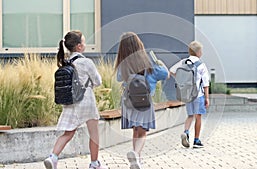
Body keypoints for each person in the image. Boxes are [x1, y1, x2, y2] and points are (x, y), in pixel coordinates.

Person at [44, 30, 107, 169]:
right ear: (79, 46)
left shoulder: (65, 62)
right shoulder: (86, 62)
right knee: (94, 133)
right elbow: (98, 81)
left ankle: (53, 157)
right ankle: (94, 163)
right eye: (84, 41)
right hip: (87, 102)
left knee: (68, 133)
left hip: (71, 102)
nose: (85, 44)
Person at [114, 32, 169, 169]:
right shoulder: (148, 62)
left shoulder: (123, 64)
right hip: (144, 101)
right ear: (139, 45)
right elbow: (165, 74)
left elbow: (119, 78)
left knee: (135, 129)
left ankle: (136, 160)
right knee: (142, 131)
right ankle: (136, 154)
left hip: (128, 101)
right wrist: (161, 64)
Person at [169, 41, 210, 148]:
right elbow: (205, 83)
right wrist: (207, 98)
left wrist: (180, 81)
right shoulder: (201, 65)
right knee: (198, 117)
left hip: (187, 94)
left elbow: (171, 71)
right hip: (198, 94)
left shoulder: (183, 62)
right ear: (198, 52)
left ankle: (186, 132)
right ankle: (196, 140)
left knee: (190, 116)